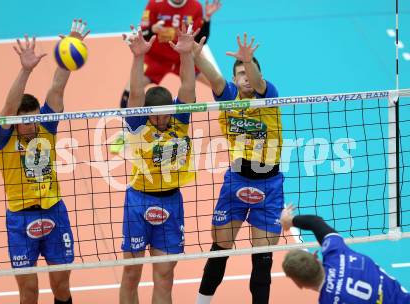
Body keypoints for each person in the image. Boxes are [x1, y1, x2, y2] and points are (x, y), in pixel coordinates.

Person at [0, 20, 90, 304]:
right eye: (26, 120)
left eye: (35, 117)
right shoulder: (3, 139)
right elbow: (8, 110)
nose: (32, 123)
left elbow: (57, 89)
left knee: (61, 286)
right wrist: (25, 69)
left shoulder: (46, 127)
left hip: (54, 211)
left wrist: (70, 47)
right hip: (20, 219)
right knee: (29, 292)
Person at [119, 24, 205, 304]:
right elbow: (133, 96)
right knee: (132, 274)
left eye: (165, 115)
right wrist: (137, 57)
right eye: (156, 116)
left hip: (171, 202)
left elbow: (188, 88)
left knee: (165, 276)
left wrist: (186, 55)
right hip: (138, 202)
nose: (162, 120)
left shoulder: (179, 122)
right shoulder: (137, 124)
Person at [195, 33, 283, 304]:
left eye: (249, 71)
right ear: (234, 80)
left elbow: (257, 81)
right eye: (240, 73)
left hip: (268, 186)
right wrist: (194, 54)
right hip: (235, 182)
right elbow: (215, 78)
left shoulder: (268, 94)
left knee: (262, 260)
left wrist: (247, 60)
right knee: (219, 249)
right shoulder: (228, 96)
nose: (246, 77)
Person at [111, 0, 221, 154]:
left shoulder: (195, 6)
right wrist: (152, 29)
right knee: (130, 89)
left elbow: (200, 39)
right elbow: (143, 33)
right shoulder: (154, 4)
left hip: (181, 57)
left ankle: (234, 114)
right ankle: (127, 132)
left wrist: (207, 18)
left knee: (217, 83)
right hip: (156, 58)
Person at [280, 205, 410, 304]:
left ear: (298, 284)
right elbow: (316, 222)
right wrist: (288, 221)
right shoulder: (337, 254)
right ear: (316, 258)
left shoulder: (328, 300)